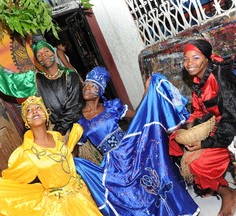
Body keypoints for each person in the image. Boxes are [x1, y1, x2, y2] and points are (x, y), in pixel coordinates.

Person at [74, 66, 200, 215]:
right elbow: (76, 147)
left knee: (155, 179)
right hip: (114, 162)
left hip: (131, 149)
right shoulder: (80, 120)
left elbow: (139, 116)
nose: (87, 88)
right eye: (86, 84)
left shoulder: (112, 107)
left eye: (93, 85)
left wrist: (147, 92)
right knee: (132, 196)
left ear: (100, 90)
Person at [0, 96, 101, 216]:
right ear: (26, 121)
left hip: (84, 191)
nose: (34, 111)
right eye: (28, 110)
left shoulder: (56, 136)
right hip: (61, 206)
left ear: (46, 115)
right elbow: (9, 183)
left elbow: (65, 159)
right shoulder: (27, 153)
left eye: (38, 108)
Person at [169, 39, 236, 216]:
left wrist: (204, 143)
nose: (189, 63)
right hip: (216, 127)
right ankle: (208, 183)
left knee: (197, 162)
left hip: (232, 133)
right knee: (174, 142)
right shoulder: (198, 80)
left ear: (207, 58)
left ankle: (228, 193)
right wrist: (187, 129)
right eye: (185, 59)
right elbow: (198, 110)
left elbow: (232, 120)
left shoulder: (221, 77)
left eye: (195, 58)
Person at [0, 40, 84, 136]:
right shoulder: (34, 79)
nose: (43, 55)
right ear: (38, 61)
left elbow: (74, 107)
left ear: (53, 54)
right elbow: (8, 82)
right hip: (52, 131)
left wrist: (57, 133)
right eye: (39, 55)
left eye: (46, 51)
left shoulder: (70, 76)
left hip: (73, 130)